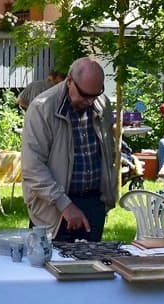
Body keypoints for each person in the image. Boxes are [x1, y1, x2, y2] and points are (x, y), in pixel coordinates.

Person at [21, 57, 117, 242]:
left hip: (93, 204)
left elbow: (107, 153)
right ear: (70, 81)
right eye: (85, 95)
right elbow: (32, 167)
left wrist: (106, 197)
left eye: (95, 95)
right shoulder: (42, 108)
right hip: (54, 207)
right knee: (49, 269)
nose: (90, 101)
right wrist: (65, 205)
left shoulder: (101, 103)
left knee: (91, 267)